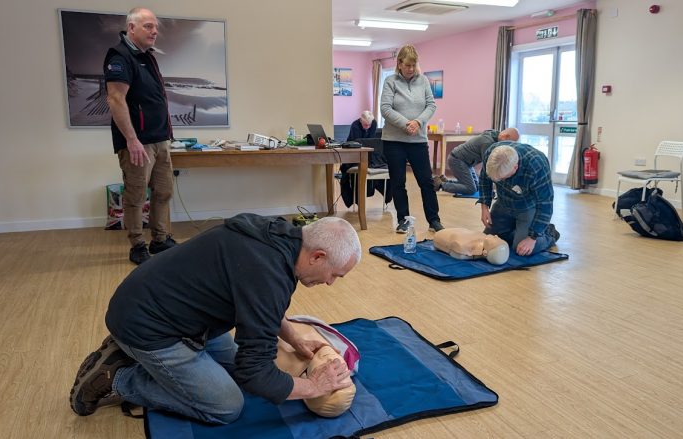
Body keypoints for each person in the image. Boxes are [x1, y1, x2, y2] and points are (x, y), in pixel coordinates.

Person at [69, 214, 362, 425]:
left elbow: (259, 303)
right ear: (317, 256)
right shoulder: (268, 275)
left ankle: (130, 356)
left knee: (237, 373)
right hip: (148, 326)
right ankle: (117, 377)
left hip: (163, 305)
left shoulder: (278, 235)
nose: (331, 283)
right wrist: (314, 387)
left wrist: (294, 338)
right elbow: (255, 372)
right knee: (227, 406)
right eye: (335, 274)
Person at [104, 7, 177, 265]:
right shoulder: (120, 56)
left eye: (155, 27)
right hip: (138, 144)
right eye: (148, 26)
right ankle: (137, 245)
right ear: (131, 28)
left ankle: (159, 239)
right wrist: (132, 140)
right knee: (136, 196)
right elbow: (115, 99)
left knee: (164, 191)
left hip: (159, 140)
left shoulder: (147, 56)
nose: (154, 31)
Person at [380, 45, 443, 234]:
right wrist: (406, 124)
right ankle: (403, 220)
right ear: (399, 64)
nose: (410, 69)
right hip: (394, 141)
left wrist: (418, 121)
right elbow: (385, 108)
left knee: (426, 181)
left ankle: (434, 220)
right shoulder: (390, 82)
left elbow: (431, 105)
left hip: (418, 140)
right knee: (398, 182)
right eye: (407, 65)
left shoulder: (423, 81)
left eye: (414, 65)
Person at [478, 143, 560, 257]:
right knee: (487, 241)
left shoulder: (537, 166)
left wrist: (532, 237)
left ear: (515, 167)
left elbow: (545, 204)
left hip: (526, 207)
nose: (498, 181)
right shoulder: (492, 154)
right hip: (503, 203)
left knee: (521, 249)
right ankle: (517, 230)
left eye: (502, 178)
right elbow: (484, 180)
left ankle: (548, 233)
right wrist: (484, 206)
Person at [434, 128, 520, 195]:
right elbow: (488, 169)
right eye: (509, 142)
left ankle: (445, 181)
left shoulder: (494, 133)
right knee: (471, 189)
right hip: (457, 160)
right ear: (506, 136)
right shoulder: (488, 143)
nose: (507, 145)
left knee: (476, 186)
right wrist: (493, 189)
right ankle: (440, 185)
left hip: (466, 163)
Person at [433, 228, 510, 265]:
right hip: (455, 230)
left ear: (485, 253)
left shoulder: (463, 247)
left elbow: (457, 253)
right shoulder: (483, 237)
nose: (496, 235)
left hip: (441, 236)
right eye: (498, 238)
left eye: (495, 240)